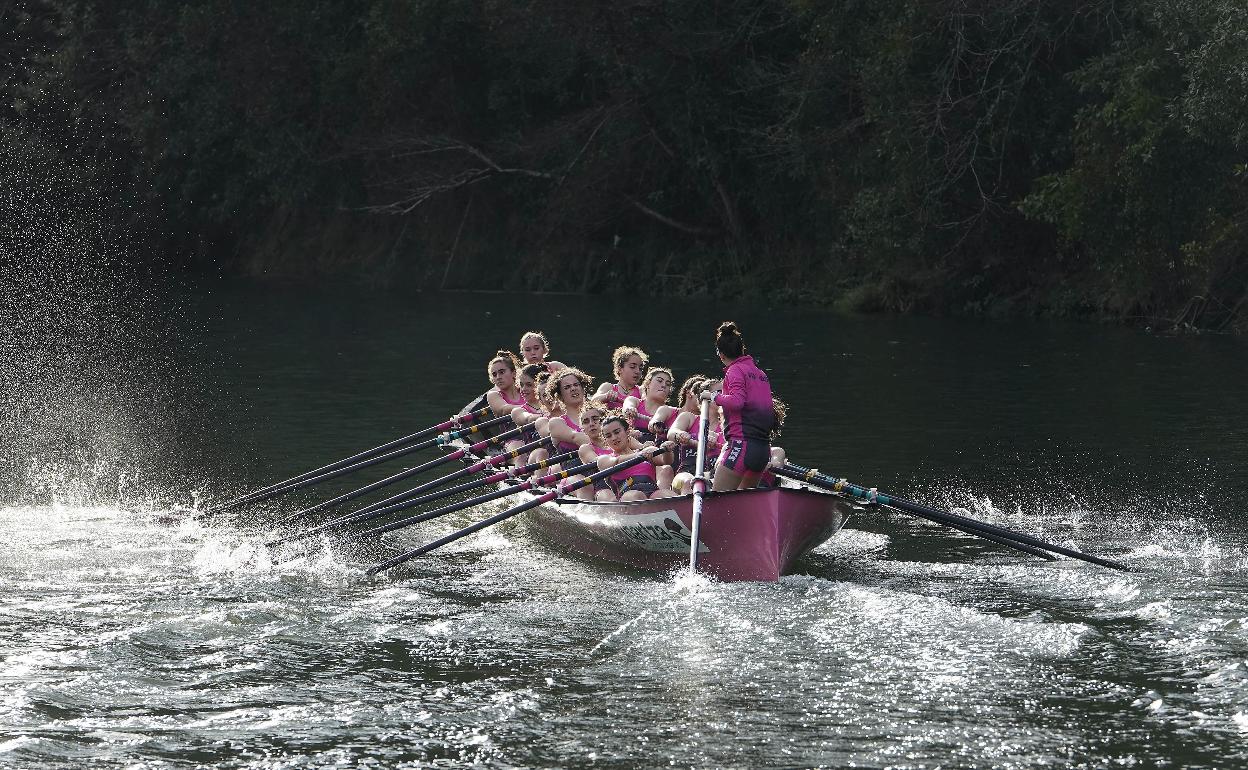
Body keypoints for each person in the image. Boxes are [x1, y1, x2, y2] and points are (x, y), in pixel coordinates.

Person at [699, 321, 774, 491]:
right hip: (762, 450)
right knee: (743, 506)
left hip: (741, 446)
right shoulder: (761, 374)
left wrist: (713, 396)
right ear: (742, 350)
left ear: (720, 354)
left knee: (719, 501)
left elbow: (737, 402)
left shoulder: (734, 371)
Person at [595, 413, 676, 501]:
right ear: (605, 441)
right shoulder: (603, 459)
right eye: (608, 436)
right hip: (628, 497)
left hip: (652, 494)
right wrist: (639, 454)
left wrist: (667, 450)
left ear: (627, 432)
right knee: (635, 495)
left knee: (666, 494)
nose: (614, 437)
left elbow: (666, 460)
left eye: (617, 432)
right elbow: (616, 461)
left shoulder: (646, 451)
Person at [622, 366, 673, 445]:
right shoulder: (634, 401)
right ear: (648, 384)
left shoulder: (670, 412)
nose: (664, 385)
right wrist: (630, 409)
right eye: (659, 381)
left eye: (668, 384)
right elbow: (628, 406)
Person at [574, 401, 615, 500]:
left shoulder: (620, 439)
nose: (591, 424)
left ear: (604, 421)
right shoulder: (585, 449)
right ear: (583, 429)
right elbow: (598, 462)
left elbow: (640, 446)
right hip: (604, 489)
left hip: (627, 481)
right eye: (586, 422)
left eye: (595, 419)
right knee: (611, 499)